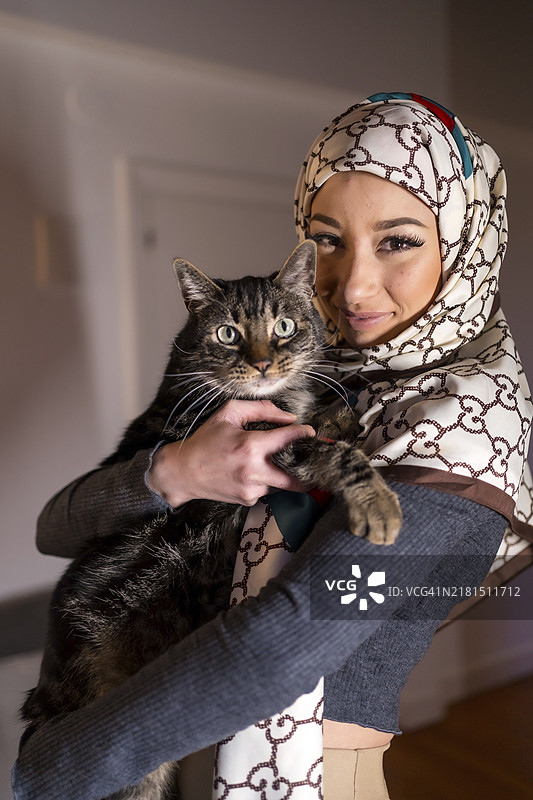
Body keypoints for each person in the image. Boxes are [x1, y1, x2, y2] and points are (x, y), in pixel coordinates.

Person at [12, 93, 533, 800]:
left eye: (398, 240)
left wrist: (55, 768)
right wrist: (173, 469)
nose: (351, 284)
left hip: (299, 779)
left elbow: (281, 646)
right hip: (179, 754)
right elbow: (56, 528)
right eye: (327, 238)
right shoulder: (331, 372)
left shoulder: (465, 438)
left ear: (467, 238)